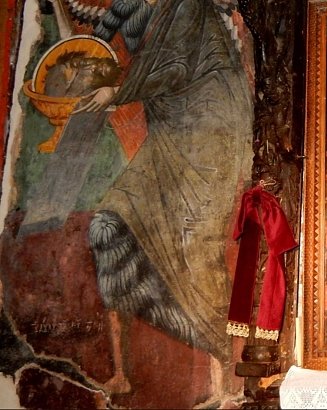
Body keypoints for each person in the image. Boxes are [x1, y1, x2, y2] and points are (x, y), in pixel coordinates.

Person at [71, 0, 253, 393]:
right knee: (107, 223)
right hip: (167, 129)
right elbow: (100, 41)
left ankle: (224, 382)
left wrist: (117, 92)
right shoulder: (131, 5)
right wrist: (81, 61)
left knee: (198, 249)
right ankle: (122, 372)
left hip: (208, 129)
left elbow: (175, 67)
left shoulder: (188, 6)